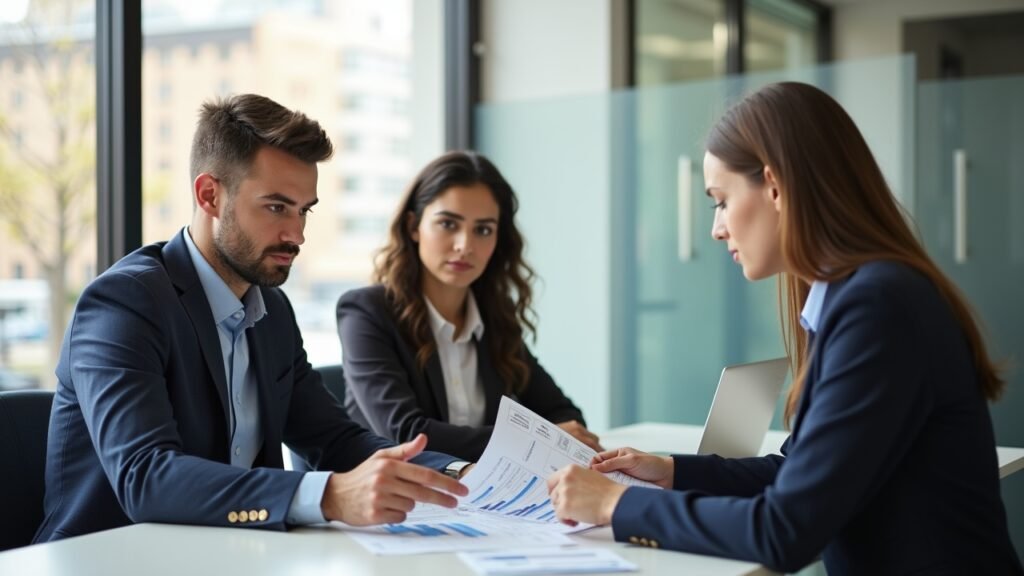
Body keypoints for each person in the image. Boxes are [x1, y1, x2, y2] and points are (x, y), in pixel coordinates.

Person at [545, 82, 1023, 574]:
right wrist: (670, 471)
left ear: (774, 186)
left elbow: (784, 530)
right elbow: (799, 472)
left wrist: (615, 504)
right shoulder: (860, 295)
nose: (716, 228)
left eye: (720, 201)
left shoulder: (877, 308)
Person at [34, 94, 469, 543]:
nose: (297, 234)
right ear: (210, 195)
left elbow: (336, 441)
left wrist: (460, 475)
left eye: (304, 210)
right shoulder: (125, 302)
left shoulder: (272, 310)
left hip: (232, 552)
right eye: (276, 207)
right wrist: (328, 496)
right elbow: (145, 477)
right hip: (110, 558)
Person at [337, 151, 599, 462]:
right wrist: (535, 440)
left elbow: (563, 414)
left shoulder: (494, 316)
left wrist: (551, 436)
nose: (465, 245)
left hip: (481, 485)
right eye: (448, 224)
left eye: (483, 229)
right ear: (413, 226)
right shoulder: (367, 311)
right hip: (396, 487)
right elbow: (408, 434)